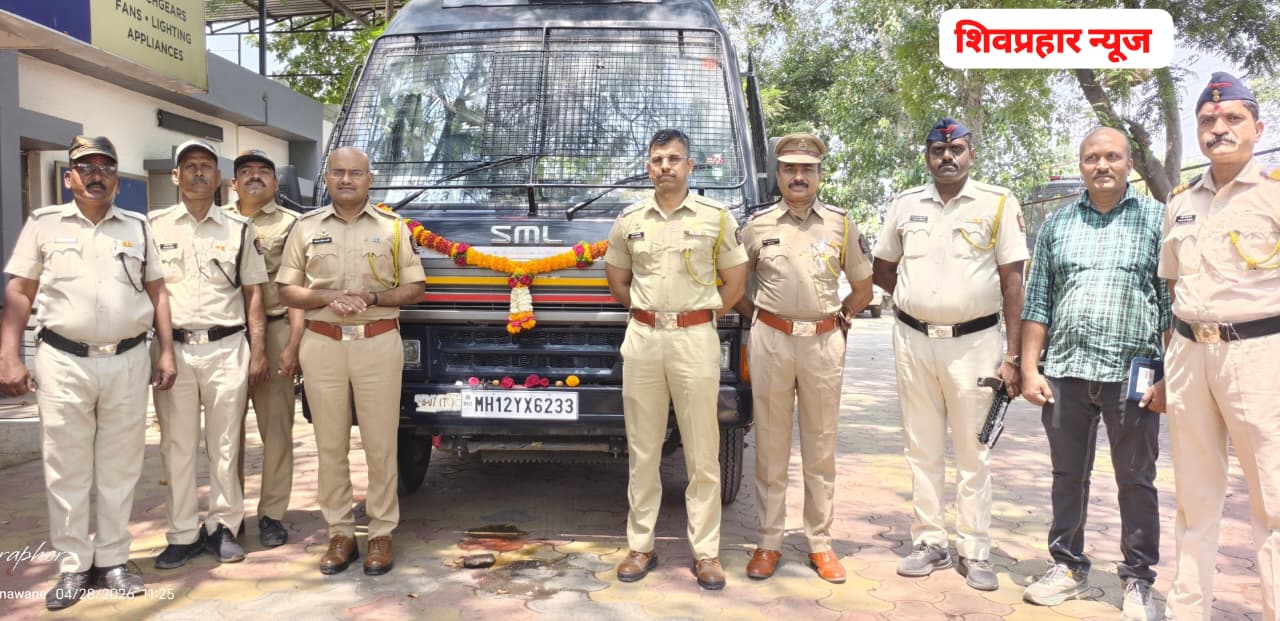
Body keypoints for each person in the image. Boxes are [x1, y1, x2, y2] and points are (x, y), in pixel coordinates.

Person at [0, 136, 175, 610]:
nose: (97, 174)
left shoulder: (137, 227)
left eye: (106, 167)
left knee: (121, 465)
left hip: (128, 359)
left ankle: (114, 558)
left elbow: (158, 291)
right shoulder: (44, 224)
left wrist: (166, 351)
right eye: (86, 167)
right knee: (66, 466)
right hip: (63, 361)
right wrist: (8, 354)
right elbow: (19, 291)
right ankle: (74, 563)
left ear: (116, 177)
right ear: (69, 177)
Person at [871, 118, 1027, 592]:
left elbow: (1013, 283)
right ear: (927, 156)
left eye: (956, 149)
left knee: (973, 451)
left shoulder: (997, 203)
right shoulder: (905, 205)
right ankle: (929, 541)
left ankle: (974, 548)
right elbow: (883, 268)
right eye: (938, 150)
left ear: (970, 155)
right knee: (921, 447)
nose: (947, 157)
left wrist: (1014, 357)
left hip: (975, 345)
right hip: (913, 341)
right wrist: (920, 303)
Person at [1018, 127, 1168, 620]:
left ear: (1129, 163)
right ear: (1080, 165)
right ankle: (1068, 566)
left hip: (1135, 372)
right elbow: (1038, 303)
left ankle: (1138, 578)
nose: (1101, 165)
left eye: (1111, 157)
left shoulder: (1157, 219)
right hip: (1066, 370)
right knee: (1067, 475)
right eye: (1091, 158)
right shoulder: (1058, 224)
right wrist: (1028, 368)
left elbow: (1170, 305)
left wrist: (1171, 377)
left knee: (1136, 478)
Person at [1159, 72, 1280, 621]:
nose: (1219, 127)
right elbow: (1172, 285)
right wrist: (1170, 364)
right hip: (1189, 355)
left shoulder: (1274, 192)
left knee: (1272, 500)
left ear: (1258, 127)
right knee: (1194, 498)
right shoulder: (1180, 202)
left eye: (1232, 118)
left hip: (1259, 355)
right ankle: (1187, 611)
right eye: (1208, 120)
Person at [604, 128, 748, 590]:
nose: (665, 166)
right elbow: (617, 278)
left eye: (673, 159)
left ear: (690, 166)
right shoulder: (630, 219)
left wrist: (700, 316)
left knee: (703, 452)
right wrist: (647, 313)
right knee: (642, 449)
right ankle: (640, 546)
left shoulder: (715, 217)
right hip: (644, 337)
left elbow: (735, 280)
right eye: (657, 159)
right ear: (649, 167)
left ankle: (706, 553)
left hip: (694, 340)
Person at [277, 146, 426, 576]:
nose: (346, 180)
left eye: (355, 173)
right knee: (330, 444)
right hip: (322, 344)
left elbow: (415, 287)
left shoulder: (393, 228)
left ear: (369, 179)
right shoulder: (306, 227)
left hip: (377, 342)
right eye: (338, 172)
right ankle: (340, 533)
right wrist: (328, 297)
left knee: (381, 444)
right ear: (326, 178)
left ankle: (381, 533)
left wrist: (374, 298)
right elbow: (286, 289)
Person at [734, 133, 873, 583]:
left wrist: (841, 319)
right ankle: (768, 541)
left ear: (818, 175)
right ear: (777, 175)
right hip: (771, 341)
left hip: (823, 344)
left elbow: (863, 287)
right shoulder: (756, 226)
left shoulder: (841, 225)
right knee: (770, 446)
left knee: (820, 446)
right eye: (790, 169)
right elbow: (734, 285)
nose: (798, 177)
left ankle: (820, 543)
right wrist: (758, 318)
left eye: (807, 169)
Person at [150, 139, 269, 569]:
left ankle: (223, 527)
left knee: (225, 444)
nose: (198, 172)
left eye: (206, 165)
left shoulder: (239, 228)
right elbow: (151, 292)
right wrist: (162, 349)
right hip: (174, 351)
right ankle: (182, 534)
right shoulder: (153, 227)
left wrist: (258, 350)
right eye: (189, 166)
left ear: (219, 177)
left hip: (227, 348)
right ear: (175, 175)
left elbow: (254, 293)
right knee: (176, 446)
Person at [227, 149, 304, 548]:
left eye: (263, 171)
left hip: (274, 331)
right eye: (246, 171)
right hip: (225, 336)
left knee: (276, 429)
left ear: (275, 183)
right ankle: (228, 515)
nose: (254, 176)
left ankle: (272, 514)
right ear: (233, 183)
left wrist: (294, 343)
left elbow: (298, 286)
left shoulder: (292, 225)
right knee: (225, 432)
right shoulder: (218, 221)